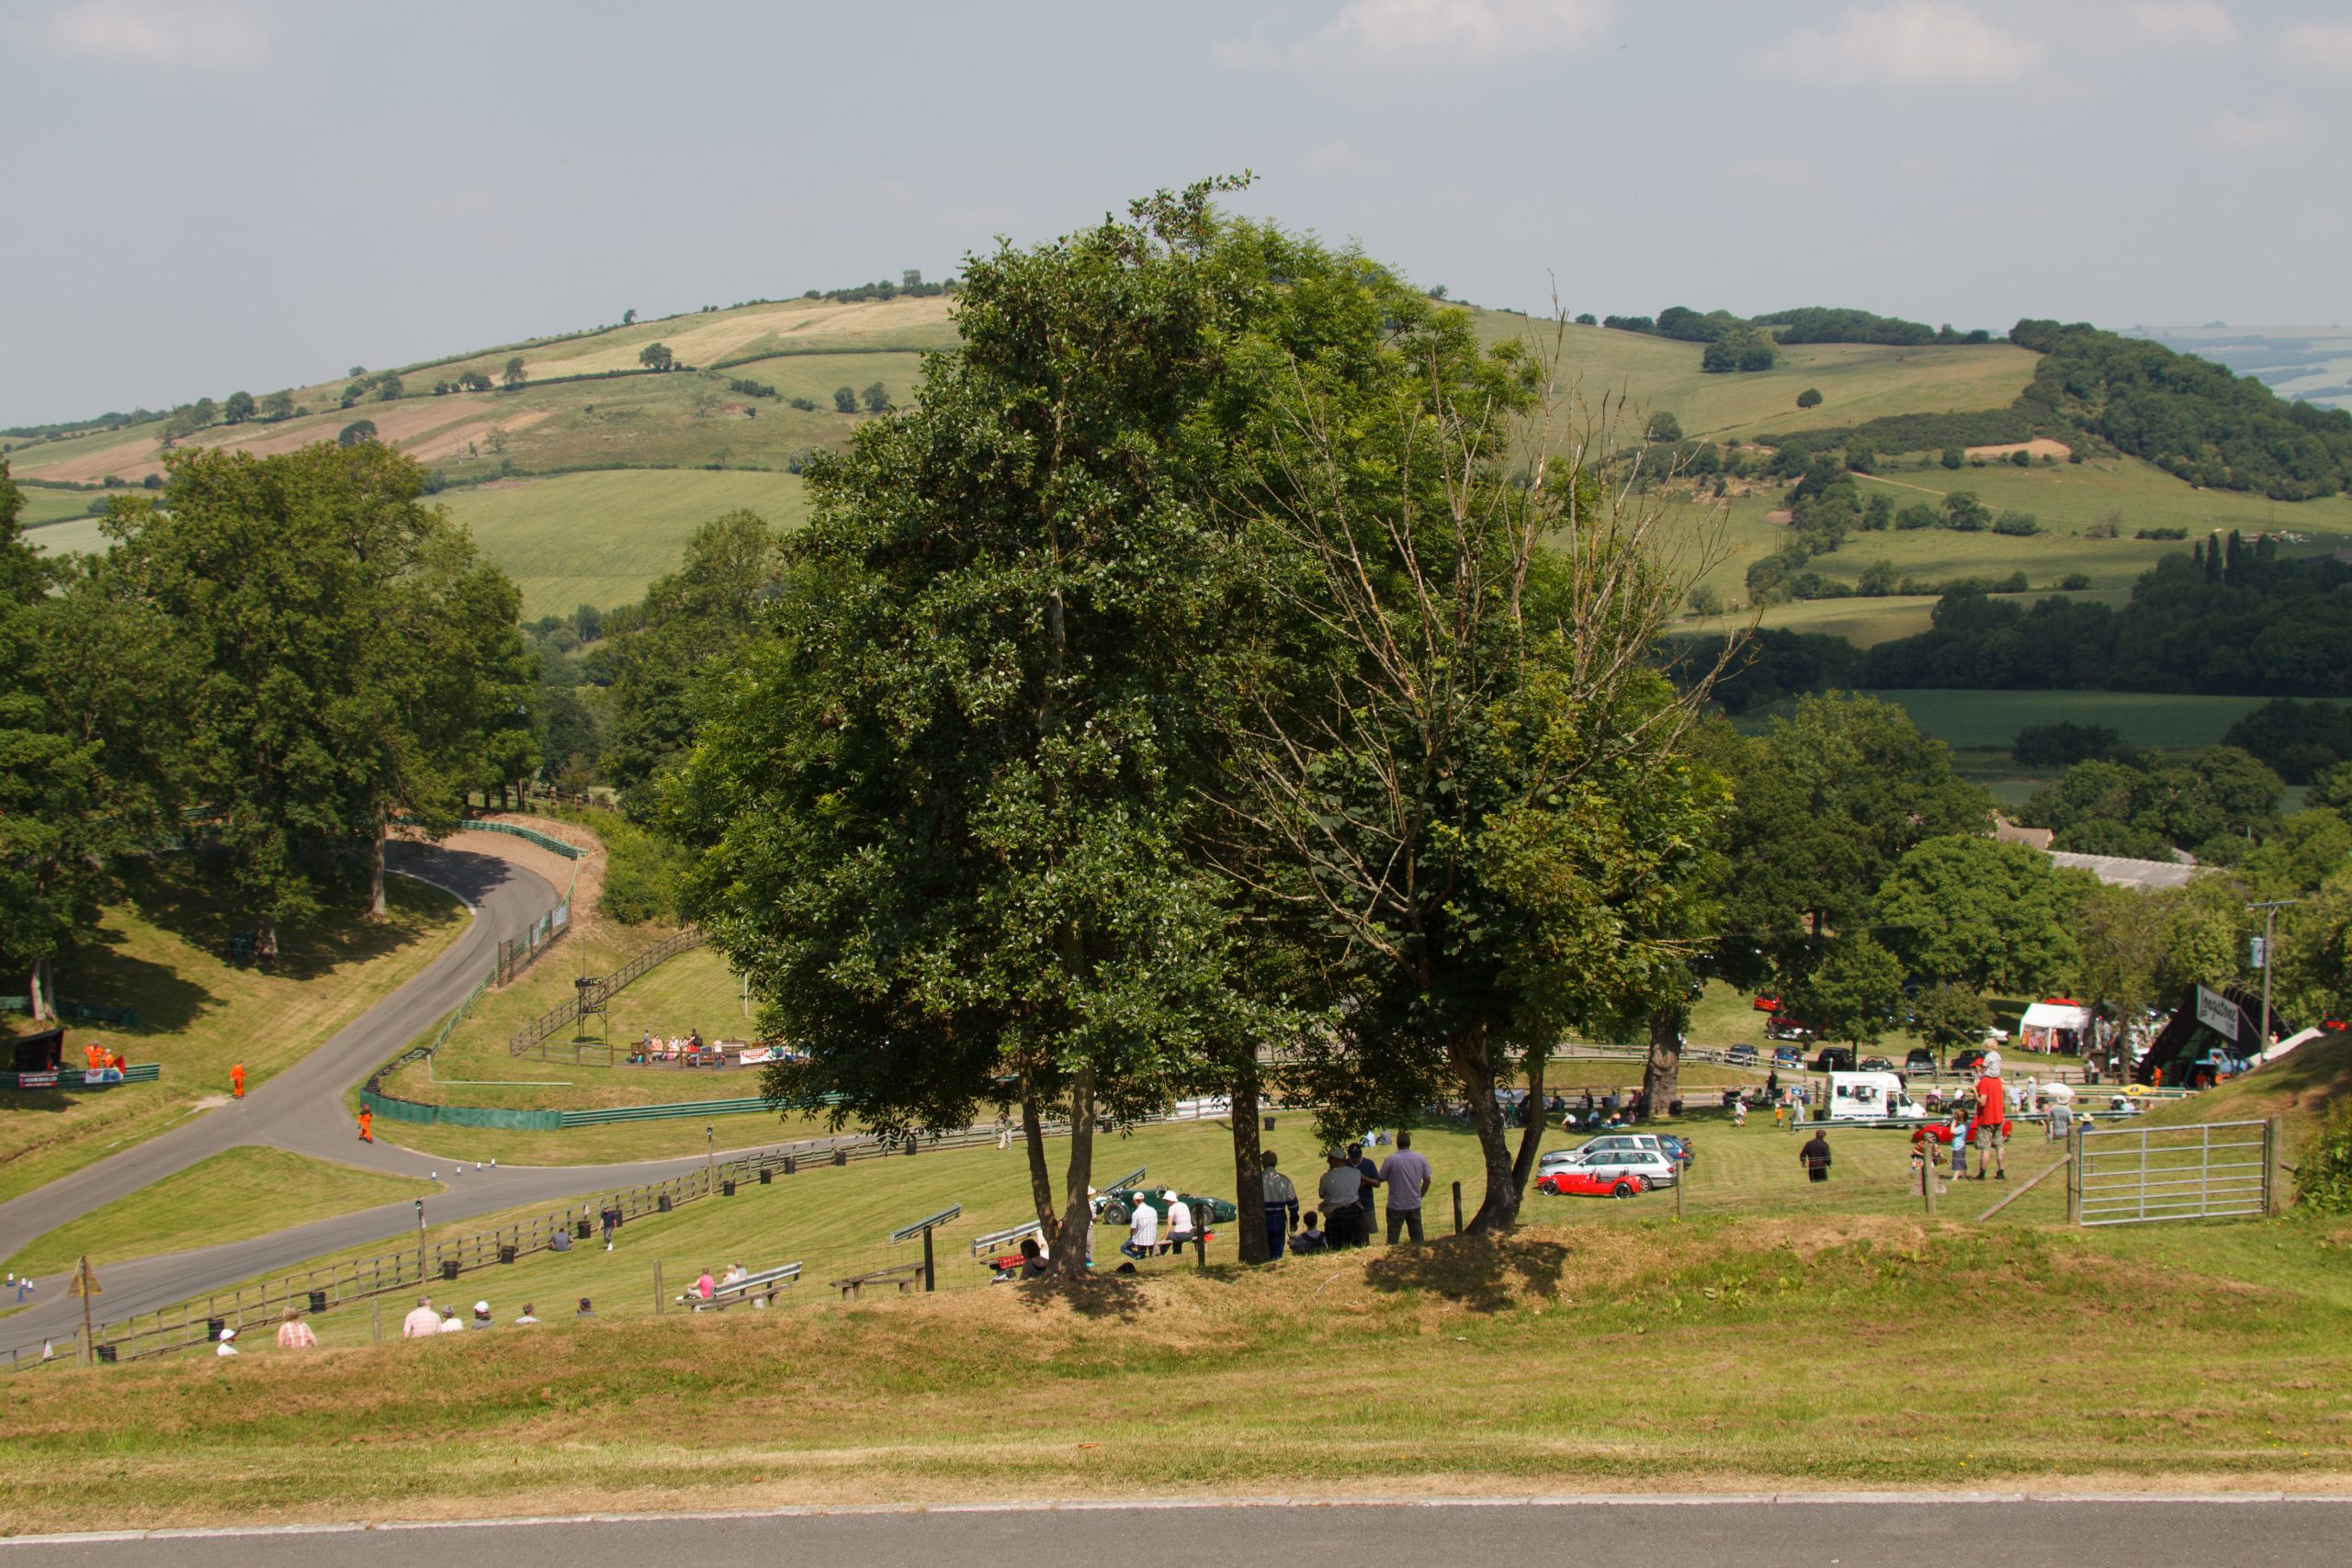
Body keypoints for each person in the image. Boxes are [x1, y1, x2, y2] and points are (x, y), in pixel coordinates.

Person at [1378, 1131, 1432, 1244]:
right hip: (1414, 1203)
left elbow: (1381, 1178)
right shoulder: (1420, 1159)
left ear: (1397, 1143)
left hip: (1395, 1205)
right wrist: (1420, 1195)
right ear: (1409, 1143)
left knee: (1392, 1240)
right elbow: (1427, 1180)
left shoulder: (1390, 1160)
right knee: (1418, 1239)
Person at [1318, 1150, 1363, 1247]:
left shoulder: (1326, 1177)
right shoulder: (1356, 1173)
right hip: (1353, 1213)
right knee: (1355, 1244)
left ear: (1336, 1160)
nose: (1327, 1161)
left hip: (1335, 1216)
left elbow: (1321, 1194)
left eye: (1329, 1158)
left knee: (1335, 1246)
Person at [1261, 1150, 1300, 1261]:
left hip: (1262, 1220)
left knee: (1263, 1252)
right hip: (1279, 1220)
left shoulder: (1257, 1180)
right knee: (1277, 1253)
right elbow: (1293, 1204)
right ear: (1275, 1162)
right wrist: (1293, 1220)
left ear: (1262, 1163)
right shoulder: (1284, 1181)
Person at [1973, 1069, 2007, 1181]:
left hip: (1987, 1119)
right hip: (1998, 1117)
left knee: (1986, 1148)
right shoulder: (1998, 1080)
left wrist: (1975, 1092)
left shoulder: (1985, 1082)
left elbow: (1982, 1102)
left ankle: (1982, 1174)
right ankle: (2001, 1171)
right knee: (1999, 1146)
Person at [1349, 1144, 1381, 1243]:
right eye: (1353, 1157)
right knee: (1350, 1235)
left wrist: (1364, 1179)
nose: (1355, 1159)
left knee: (1365, 1235)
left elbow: (1377, 1183)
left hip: (1366, 1205)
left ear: (1361, 1154)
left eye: (1357, 1156)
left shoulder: (1369, 1163)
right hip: (1348, 1206)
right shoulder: (1345, 1164)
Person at [1121, 1192, 1160, 1260]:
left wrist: (1132, 1237)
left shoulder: (1136, 1213)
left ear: (1135, 1201)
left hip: (1141, 1239)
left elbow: (1133, 1229)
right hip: (1152, 1237)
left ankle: (1138, 1256)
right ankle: (1142, 1256)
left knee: (1123, 1248)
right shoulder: (1153, 1210)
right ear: (1143, 1199)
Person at [1163, 1190, 1194, 1256]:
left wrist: (1165, 1238)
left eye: (1166, 1200)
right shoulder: (1184, 1204)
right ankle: (1177, 1254)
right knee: (1175, 1236)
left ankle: (1160, 1253)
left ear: (1170, 1200)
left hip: (1180, 1235)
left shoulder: (1172, 1208)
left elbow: (1169, 1225)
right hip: (1190, 1233)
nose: (1165, 1202)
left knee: (1169, 1236)